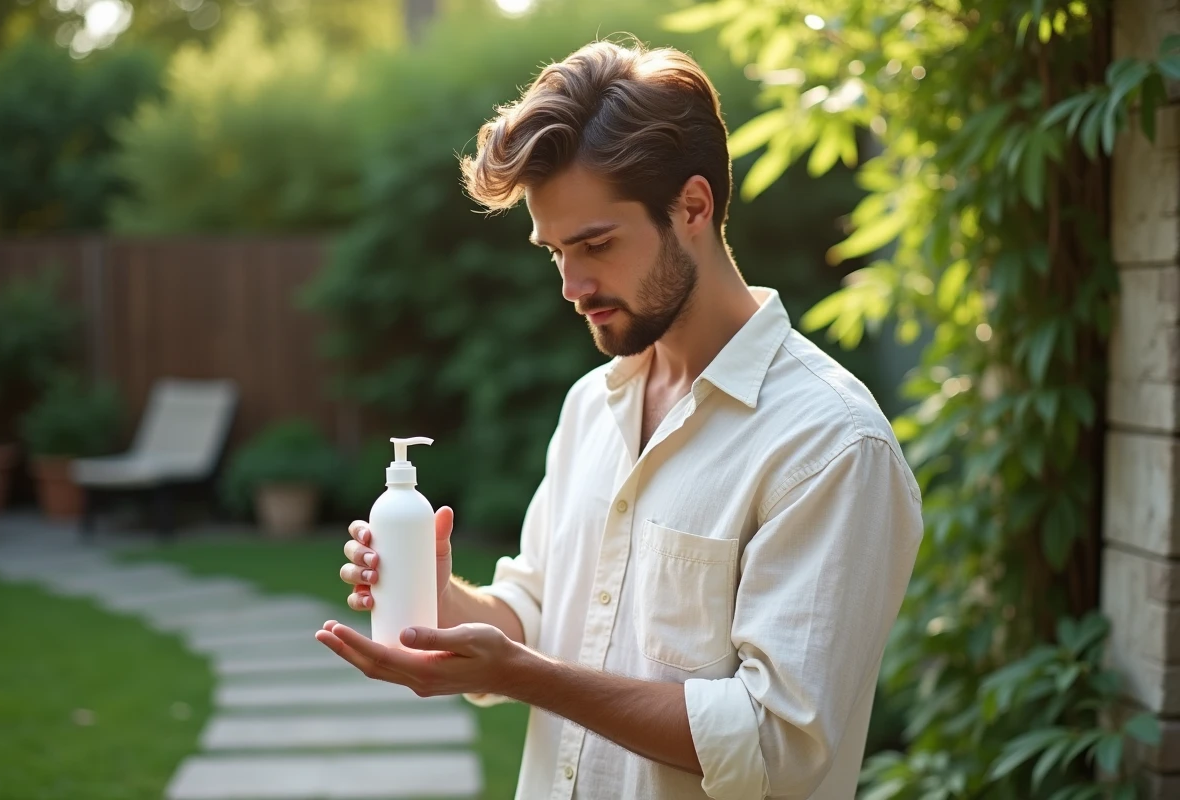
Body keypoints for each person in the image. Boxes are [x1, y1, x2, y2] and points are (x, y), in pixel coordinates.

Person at [315, 38, 923, 800]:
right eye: (554, 252)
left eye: (596, 244)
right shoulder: (591, 406)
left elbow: (775, 745)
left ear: (693, 206)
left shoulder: (829, 445)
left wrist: (530, 677)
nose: (571, 285)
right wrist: (440, 599)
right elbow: (539, 616)